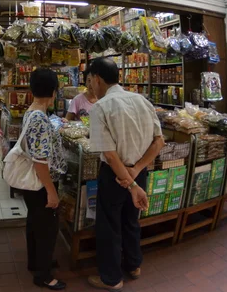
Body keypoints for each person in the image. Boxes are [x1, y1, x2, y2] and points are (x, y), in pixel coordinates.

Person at [86, 57, 164, 292]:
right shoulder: (142, 100)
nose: (90, 86)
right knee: (132, 220)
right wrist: (137, 171)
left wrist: (129, 183)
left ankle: (111, 278)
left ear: (98, 79)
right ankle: (134, 265)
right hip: (137, 173)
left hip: (115, 176)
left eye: (90, 81)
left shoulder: (101, 107)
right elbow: (159, 141)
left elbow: (110, 155)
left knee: (109, 225)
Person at [19, 68, 68, 290]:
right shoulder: (39, 117)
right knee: (47, 228)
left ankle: (37, 262)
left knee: (35, 223)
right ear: (54, 92)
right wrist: (51, 190)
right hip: (41, 182)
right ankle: (44, 275)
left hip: (36, 182)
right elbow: (40, 160)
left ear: (31, 90)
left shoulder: (32, 112)